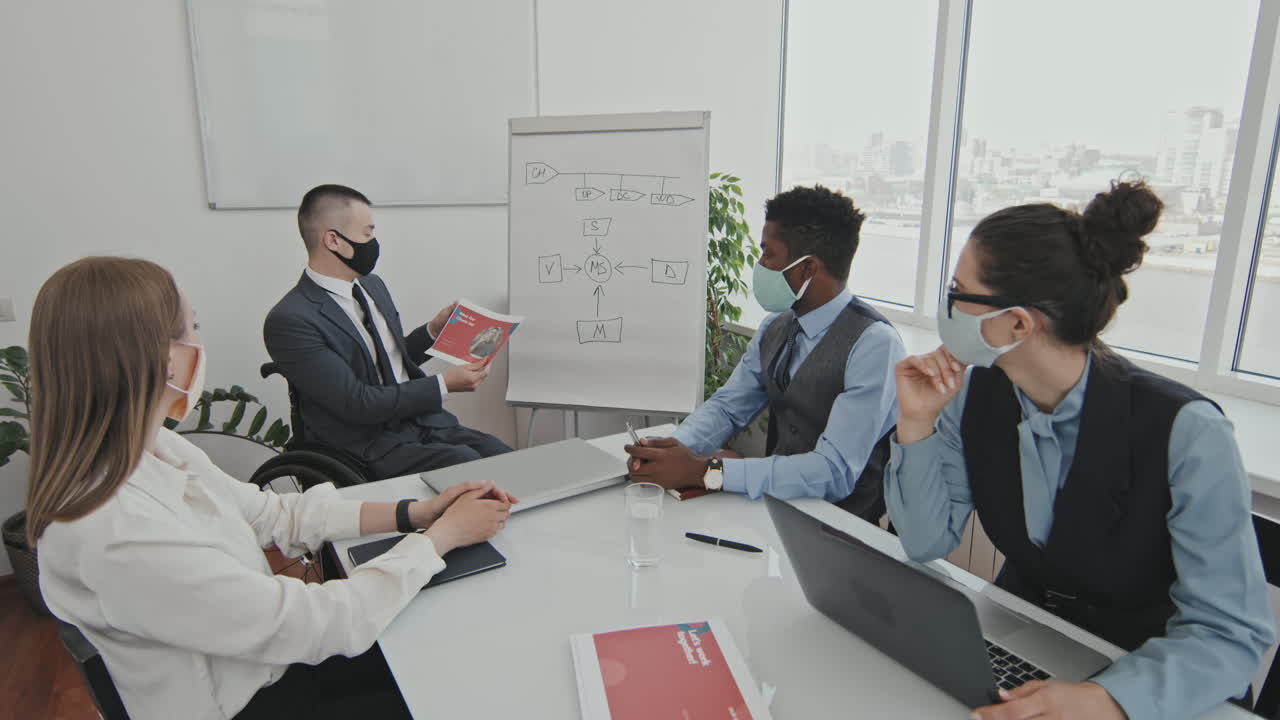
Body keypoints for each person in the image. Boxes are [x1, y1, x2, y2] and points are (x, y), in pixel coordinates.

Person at [29, 257, 516, 720]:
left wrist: (416, 513)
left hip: (266, 660)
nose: (199, 341)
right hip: (257, 700)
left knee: (448, 640)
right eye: (191, 329)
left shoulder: (153, 449)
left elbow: (273, 515)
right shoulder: (114, 535)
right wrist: (440, 538)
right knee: (461, 680)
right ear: (161, 359)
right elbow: (314, 624)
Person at [885, 181, 1274, 720]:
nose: (946, 306)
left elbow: (1230, 634)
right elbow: (926, 540)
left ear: (1018, 323)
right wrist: (916, 422)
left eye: (958, 290)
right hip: (1023, 639)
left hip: (1148, 677)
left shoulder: (1187, 431)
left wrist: (1111, 699)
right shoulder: (970, 396)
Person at [624, 185, 905, 521]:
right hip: (777, 513)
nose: (759, 265)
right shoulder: (776, 327)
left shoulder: (875, 345)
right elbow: (729, 408)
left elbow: (833, 472)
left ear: (808, 269)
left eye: (767, 254)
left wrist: (707, 471)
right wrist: (673, 448)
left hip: (844, 530)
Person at [264, 184, 512, 480]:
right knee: (468, 467)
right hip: (364, 442)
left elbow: (388, 363)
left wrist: (432, 331)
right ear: (333, 240)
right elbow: (356, 402)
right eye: (367, 234)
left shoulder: (372, 286)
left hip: (420, 423)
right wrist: (443, 384)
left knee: (505, 459)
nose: (374, 243)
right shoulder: (291, 320)